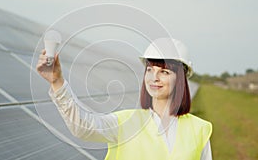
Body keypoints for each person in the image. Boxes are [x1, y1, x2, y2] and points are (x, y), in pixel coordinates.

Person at [36, 38, 213, 160]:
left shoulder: (199, 129)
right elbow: (82, 127)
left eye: (164, 72)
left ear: (180, 79)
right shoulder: (126, 122)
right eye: (150, 70)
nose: (154, 78)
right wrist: (57, 82)